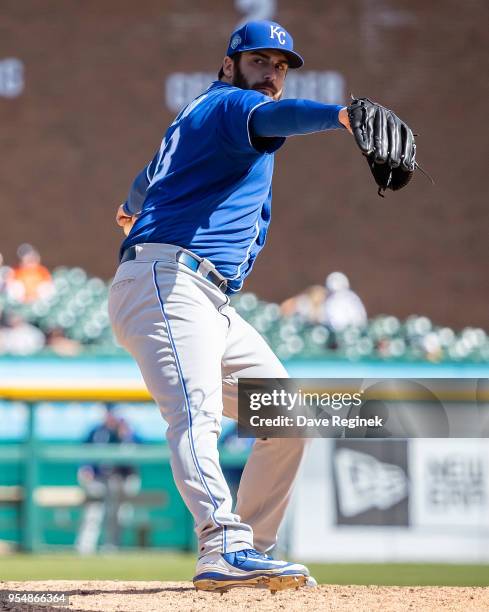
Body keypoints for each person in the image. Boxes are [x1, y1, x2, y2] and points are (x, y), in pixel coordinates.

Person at [109, 20, 354, 593]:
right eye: (259, 60)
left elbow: (151, 176)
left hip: (205, 297)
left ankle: (253, 552)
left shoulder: (199, 117)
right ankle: (222, 545)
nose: (271, 71)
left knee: (286, 419)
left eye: (280, 64)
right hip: (170, 283)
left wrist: (129, 205)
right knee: (193, 414)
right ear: (229, 65)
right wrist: (340, 116)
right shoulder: (230, 106)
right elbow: (275, 117)